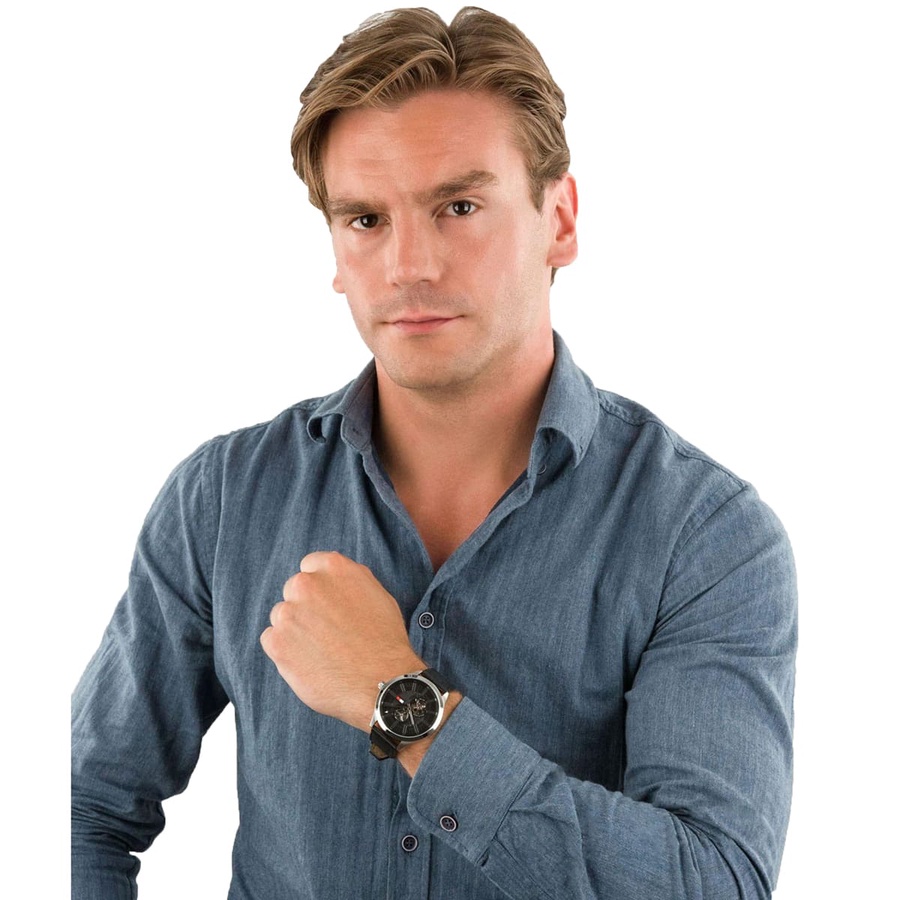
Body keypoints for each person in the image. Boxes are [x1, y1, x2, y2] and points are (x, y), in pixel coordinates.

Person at [71, 6, 797, 899]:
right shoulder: (222, 500)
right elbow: (79, 810)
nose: (409, 264)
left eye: (458, 207)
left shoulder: (705, 536)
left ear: (560, 220)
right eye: (366, 219)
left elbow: (715, 882)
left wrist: (401, 703)